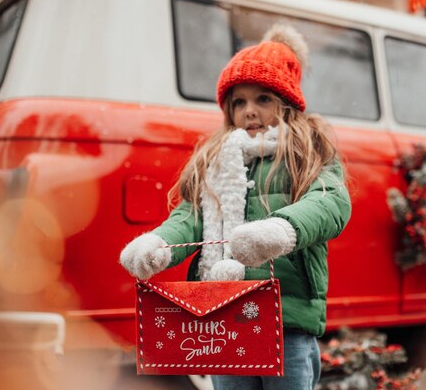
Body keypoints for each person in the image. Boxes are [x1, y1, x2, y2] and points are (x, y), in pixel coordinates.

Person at [119, 24, 351, 390]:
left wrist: (282, 229)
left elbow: (330, 203)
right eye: (238, 102)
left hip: (285, 318)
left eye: (263, 99)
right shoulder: (216, 159)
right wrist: (159, 243)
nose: (249, 112)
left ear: (287, 103)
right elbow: (191, 216)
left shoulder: (307, 151)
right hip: (222, 312)